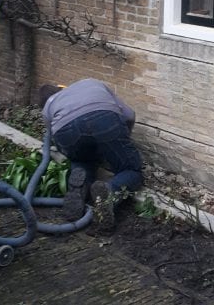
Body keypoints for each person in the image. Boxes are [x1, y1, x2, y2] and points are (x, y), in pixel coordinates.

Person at [39, 78, 143, 232]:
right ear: (60, 88)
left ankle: (79, 184)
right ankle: (109, 192)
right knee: (132, 170)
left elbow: (54, 135)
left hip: (66, 130)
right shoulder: (90, 82)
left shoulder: (48, 106)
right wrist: (120, 139)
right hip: (104, 119)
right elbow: (130, 115)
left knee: (81, 160)